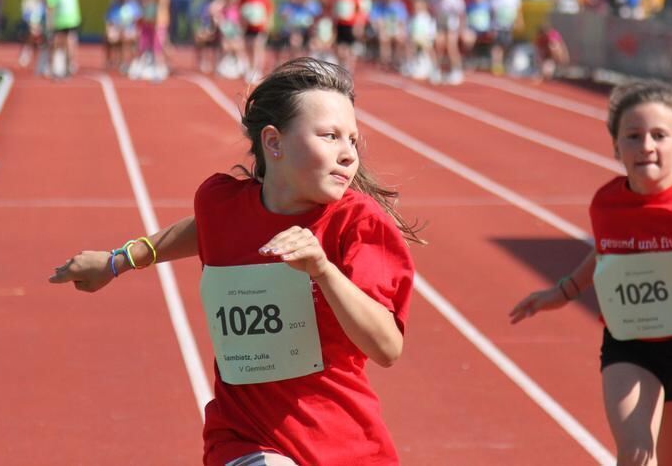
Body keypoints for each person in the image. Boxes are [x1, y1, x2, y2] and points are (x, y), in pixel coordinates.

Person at [49, 57, 419, 466]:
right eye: (330, 136)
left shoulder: (360, 223)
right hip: (242, 438)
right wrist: (116, 262)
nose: (348, 154)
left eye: (352, 140)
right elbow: (206, 228)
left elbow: (387, 347)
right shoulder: (220, 203)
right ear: (274, 143)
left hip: (343, 444)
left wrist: (323, 271)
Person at [509, 76, 672, 466]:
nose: (646, 146)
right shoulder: (606, 203)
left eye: (659, 135)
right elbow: (608, 252)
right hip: (628, 340)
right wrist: (563, 291)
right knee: (636, 453)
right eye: (633, 136)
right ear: (616, 147)